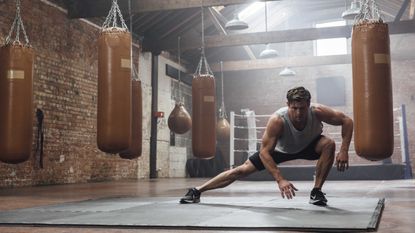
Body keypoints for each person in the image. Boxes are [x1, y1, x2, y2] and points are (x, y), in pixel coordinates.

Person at [180, 86, 353, 206]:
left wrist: (344, 150)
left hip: (310, 145)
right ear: (288, 105)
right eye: (294, 108)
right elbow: (264, 152)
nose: (299, 113)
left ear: (308, 105)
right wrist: (280, 179)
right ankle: (197, 191)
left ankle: (316, 191)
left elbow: (347, 121)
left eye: (302, 108)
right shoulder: (278, 120)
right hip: (279, 150)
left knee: (329, 144)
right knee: (240, 171)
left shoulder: (318, 112)